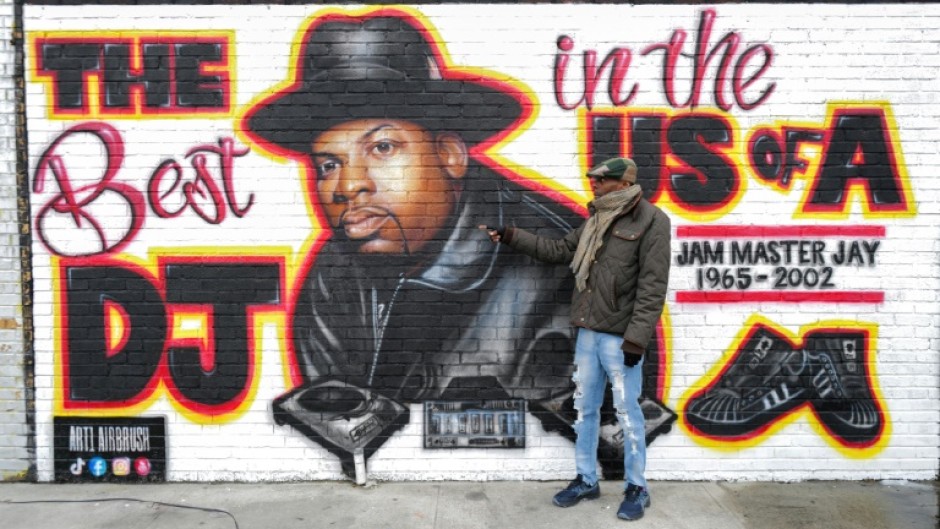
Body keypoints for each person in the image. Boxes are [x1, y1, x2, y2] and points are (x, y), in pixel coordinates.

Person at [242, 13, 584, 468]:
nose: (347, 185)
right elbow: (338, 425)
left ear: (449, 155)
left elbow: (553, 438)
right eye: (328, 164)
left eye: (381, 148)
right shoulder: (335, 272)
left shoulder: (555, 264)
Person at [484, 157, 671, 521]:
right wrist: (510, 236)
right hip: (587, 332)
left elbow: (652, 286)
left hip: (621, 339)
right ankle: (586, 479)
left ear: (622, 182)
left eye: (600, 179)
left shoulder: (652, 221)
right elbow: (558, 251)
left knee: (628, 413)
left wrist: (637, 339)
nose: (593, 184)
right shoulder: (595, 220)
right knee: (584, 410)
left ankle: (637, 487)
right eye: (593, 178)